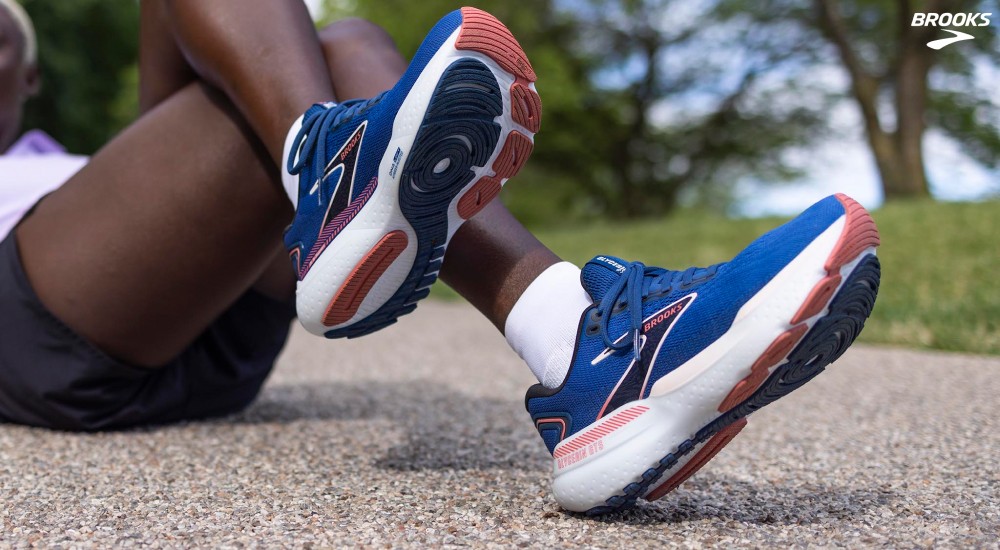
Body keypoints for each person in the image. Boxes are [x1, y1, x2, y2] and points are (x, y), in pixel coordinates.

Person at [0, 0, 881, 515]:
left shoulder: (71, 167)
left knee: (341, 42)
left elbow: (164, 160)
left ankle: (579, 345)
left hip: (206, 314)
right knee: (340, 55)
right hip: (46, 336)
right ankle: (338, 174)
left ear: (29, 77)